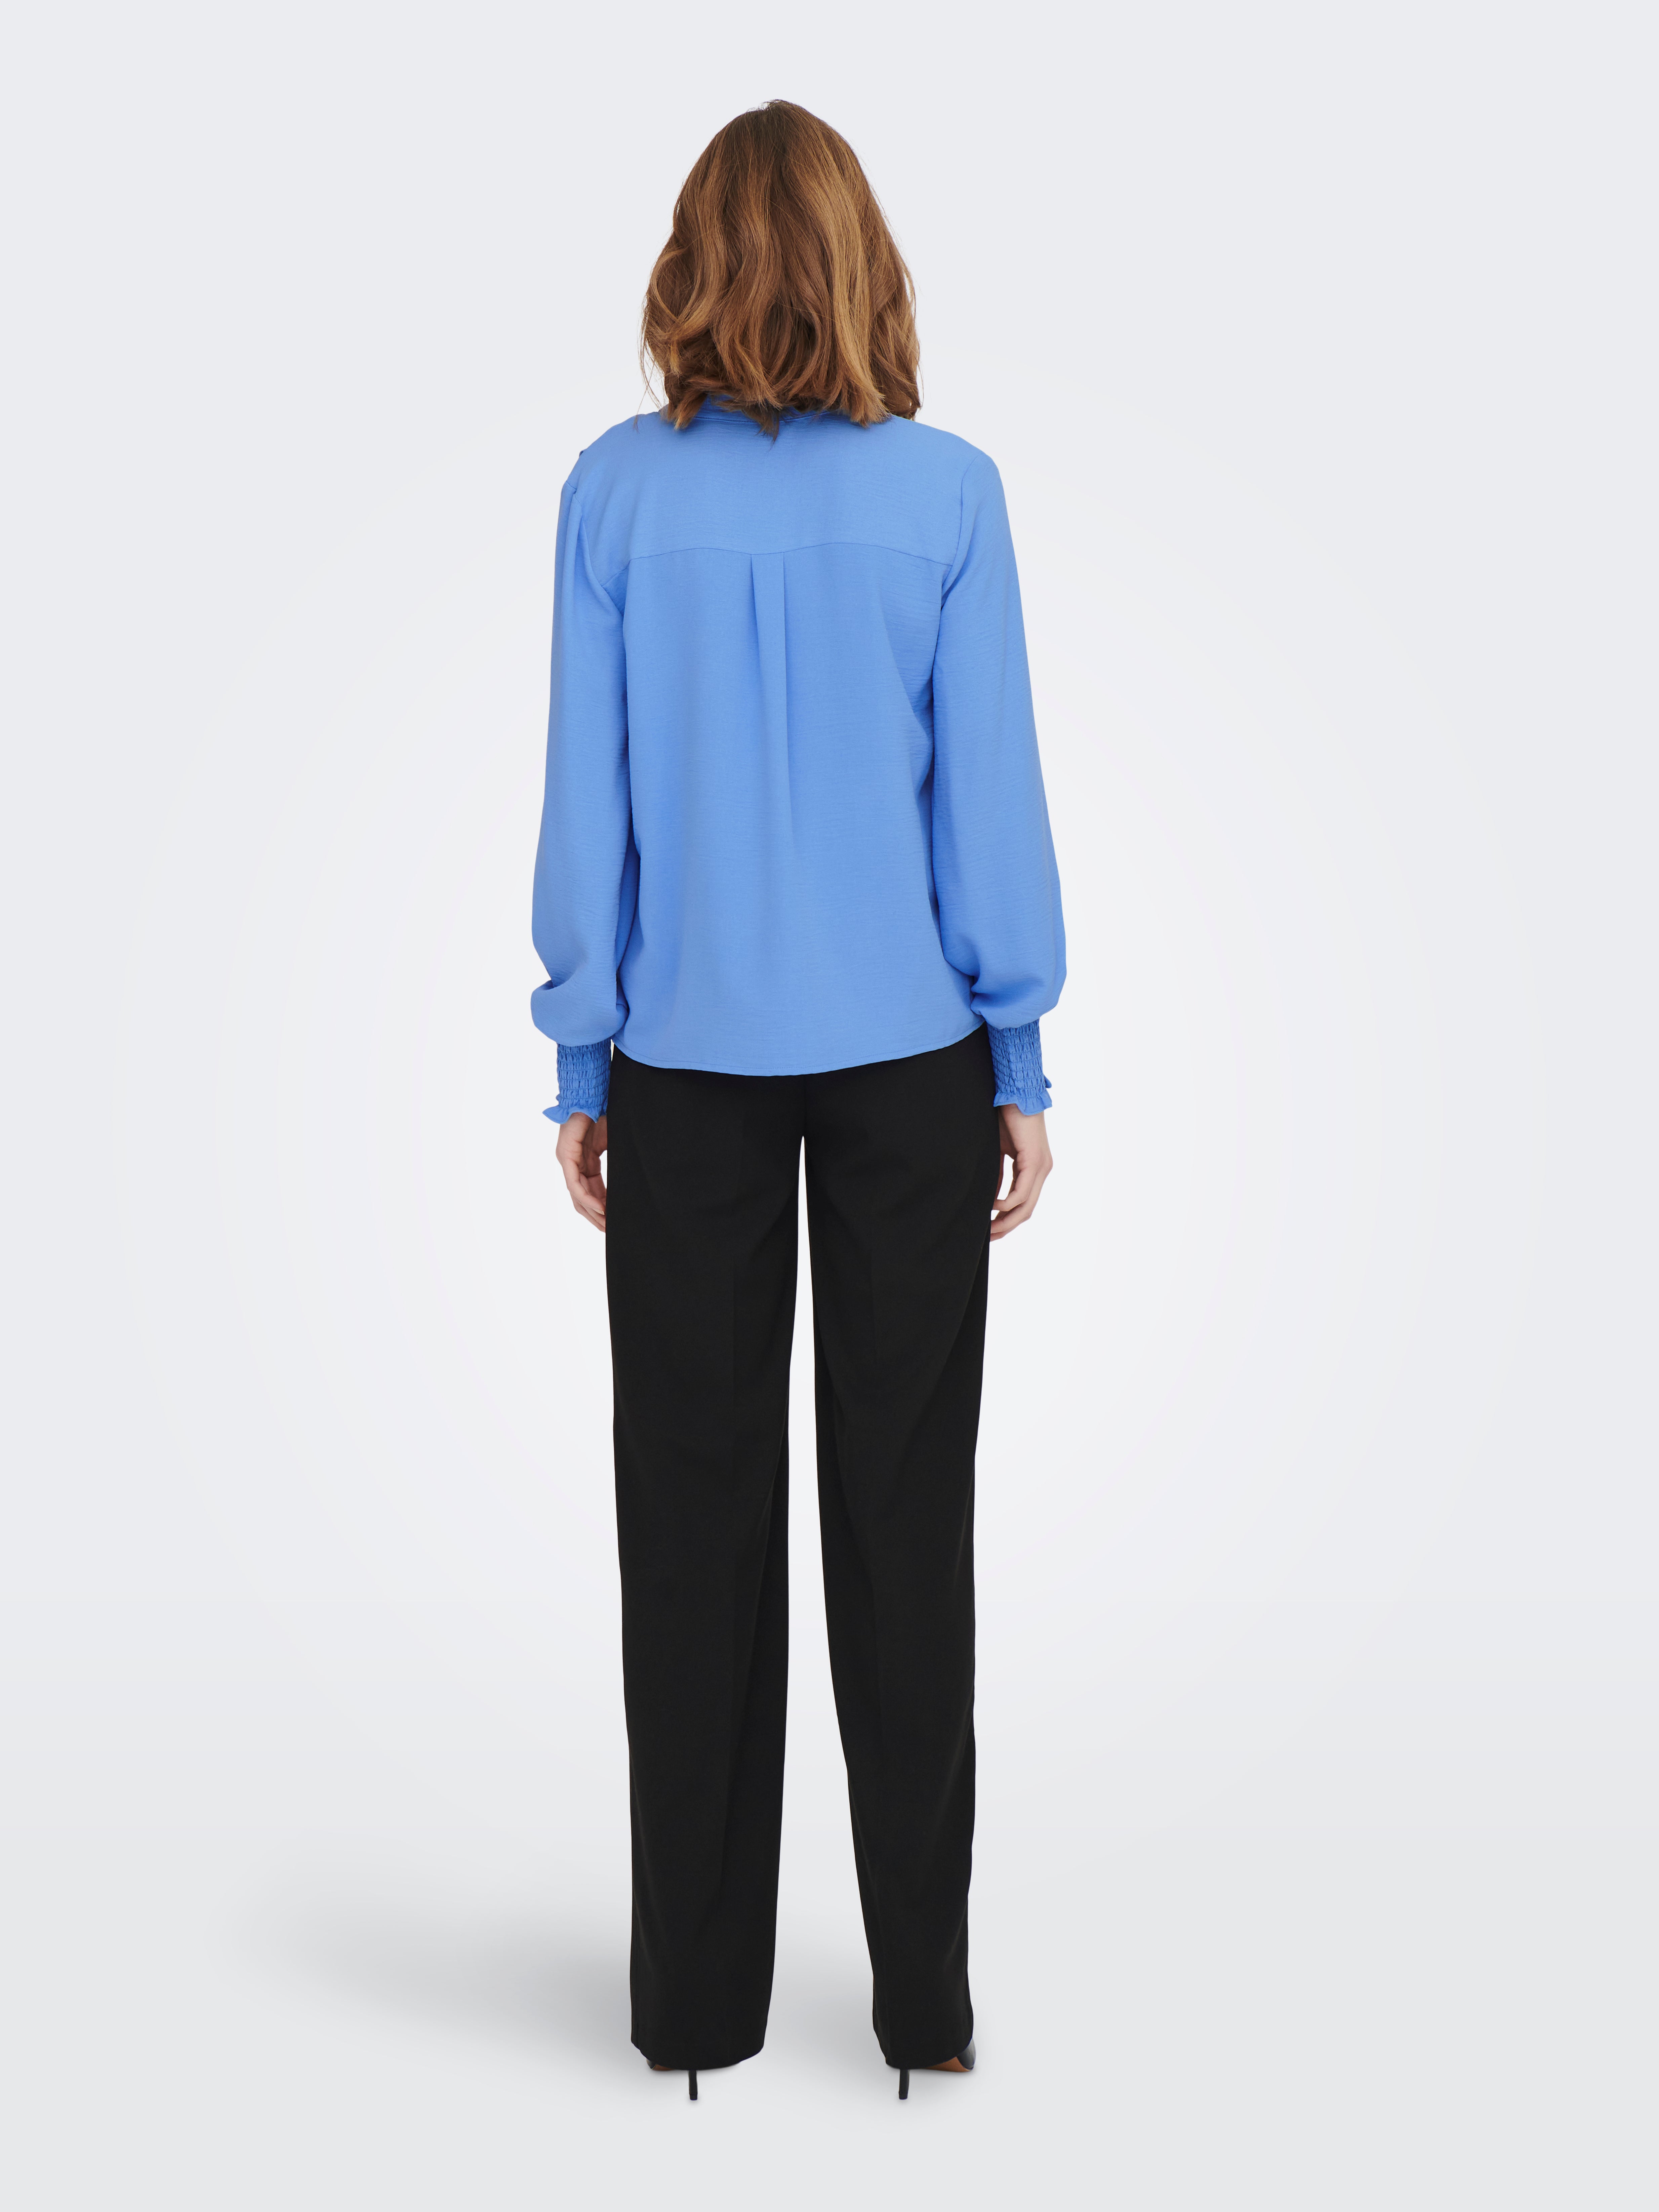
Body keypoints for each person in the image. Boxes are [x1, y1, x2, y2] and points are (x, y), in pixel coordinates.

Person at [530, 100, 1064, 2101]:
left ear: (691, 266)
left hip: (684, 1069)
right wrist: (1016, 1055)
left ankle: (694, 2017)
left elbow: (587, 807)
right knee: (906, 1527)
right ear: (861, 263)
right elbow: (988, 803)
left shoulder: (612, 497)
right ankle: (922, 2012)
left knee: (690, 1529)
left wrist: (581, 1054)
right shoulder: (947, 495)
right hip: (911, 1067)